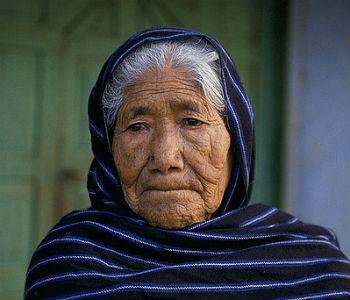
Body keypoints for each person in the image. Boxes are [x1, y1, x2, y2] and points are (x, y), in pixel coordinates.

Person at [24, 27, 350, 299]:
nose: (166, 158)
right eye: (137, 127)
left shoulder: (311, 266)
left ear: (235, 142)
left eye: (192, 122)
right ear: (109, 150)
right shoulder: (70, 262)